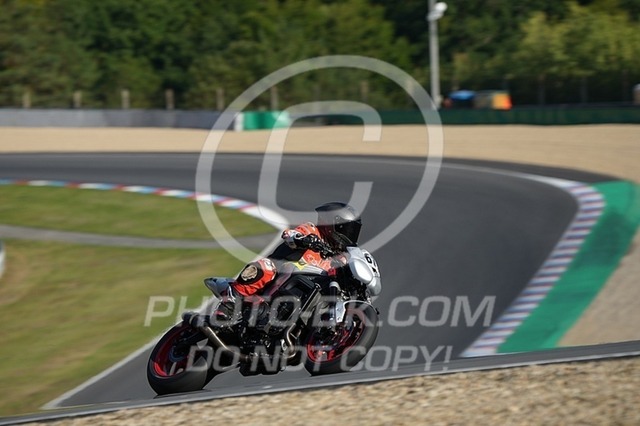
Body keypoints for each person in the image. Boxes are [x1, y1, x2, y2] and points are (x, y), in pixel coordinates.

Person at [199, 201, 363, 325]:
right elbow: (290, 234)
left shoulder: (336, 258)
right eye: (347, 230)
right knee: (265, 267)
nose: (350, 235)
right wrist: (302, 239)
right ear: (332, 224)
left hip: (303, 297)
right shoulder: (312, 231)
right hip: (280, 279)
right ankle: (229, 305)